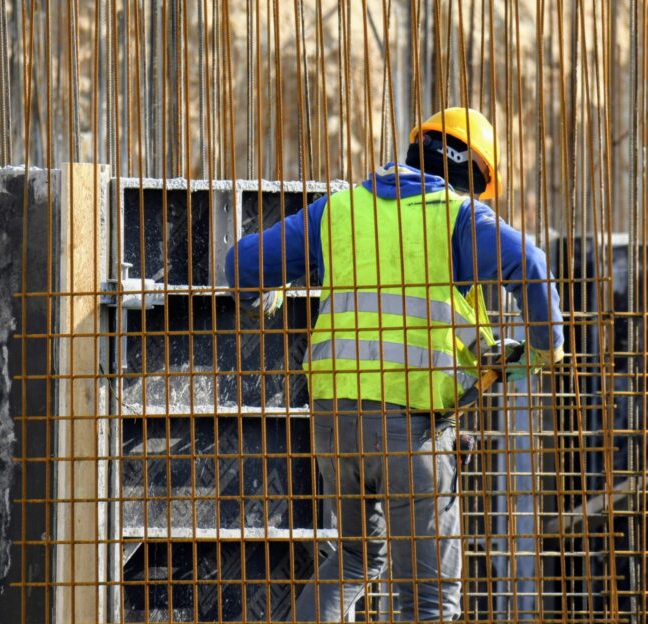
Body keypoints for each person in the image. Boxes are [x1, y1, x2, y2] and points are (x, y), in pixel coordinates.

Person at [224, 107, 565, 622]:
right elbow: (533, 266)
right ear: (473, 173)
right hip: (411, 430)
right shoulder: (459, 218)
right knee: (428, 601)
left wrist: (266, 295)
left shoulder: (339, 210)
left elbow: (242, 265)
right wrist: (544, 348)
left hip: (335, 425)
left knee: (358, 558)